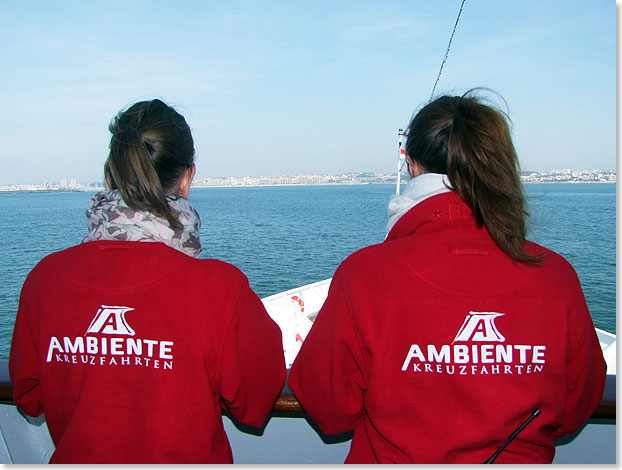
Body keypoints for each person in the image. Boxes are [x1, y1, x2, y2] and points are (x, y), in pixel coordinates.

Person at [288, 89, 606, 464]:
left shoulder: (364, 275)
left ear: (412, 165)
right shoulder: (555, 276)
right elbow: (574, 407)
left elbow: (329, 407)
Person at [9, 99, 286, 464]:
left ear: (111, 175)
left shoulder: (45, 280)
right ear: (187, 179)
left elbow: (29, 395)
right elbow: (256, 400)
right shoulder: (221, 289)